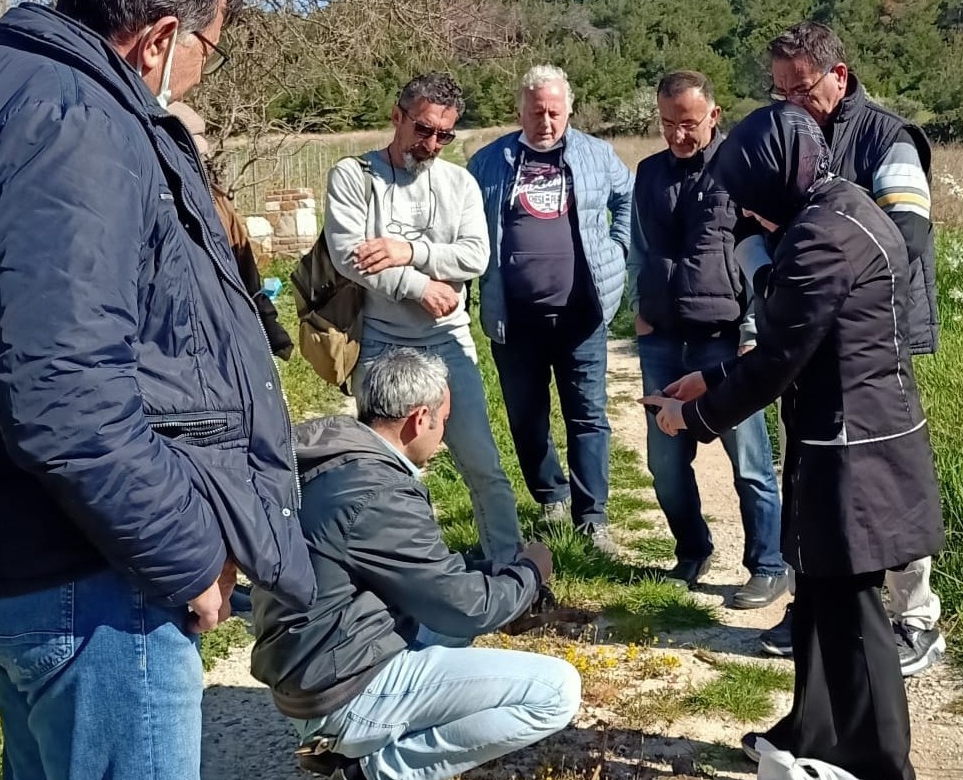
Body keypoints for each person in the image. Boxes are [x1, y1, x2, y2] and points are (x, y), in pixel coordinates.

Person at [0, 0, 316, 780]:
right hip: (89, 578)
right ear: (160, 36)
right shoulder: (76, 124)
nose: (204, 65)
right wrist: (185, 554)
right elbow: (66, 396)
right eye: (211, 43)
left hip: (19, 552)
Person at [642, 102, 943, 780]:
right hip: (843, 438)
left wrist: (698, 414)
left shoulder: (823, 238)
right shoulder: (837, 209)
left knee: (855, 616)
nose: (748, 209)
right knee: (818, 596)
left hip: (857, 452)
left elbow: (779, 357)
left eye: (750, 193)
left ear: (779, 175)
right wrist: (712, 377)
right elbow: (804, 345)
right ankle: (810, 733)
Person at [252, 346, 581, 780]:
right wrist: (530, 571)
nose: (443, 437)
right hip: (337, 689)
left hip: (307, 664)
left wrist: (490, 572)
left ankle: (344, 748)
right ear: (418, 418)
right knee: (556, 691)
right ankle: (371, 778)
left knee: (446, 631)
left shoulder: (334, 454)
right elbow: (466, 607)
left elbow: (424, 578)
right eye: (443, 421)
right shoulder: (379, 492)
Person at [752, 20, 944, 676]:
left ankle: (916, 618)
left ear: (839, 74)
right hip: (806, 334)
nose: (791, 104)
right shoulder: (787, 137)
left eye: (801, 89)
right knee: (808, 467)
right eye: (780, 93)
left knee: (887, 480)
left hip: (875, 337)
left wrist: (827, 265)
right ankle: (813, 603)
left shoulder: (887, 136)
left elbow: (908, 231)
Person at [324, 73, 522, 566]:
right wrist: (421, 284)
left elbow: (476, 256)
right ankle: (389, 570)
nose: (431, 143)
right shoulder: (354, 177)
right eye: (423, 129)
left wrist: (405, 249)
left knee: (482, 463)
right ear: (397, 116)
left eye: (444, 135)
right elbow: (350, 256)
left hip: (448, 342)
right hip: (383, 343)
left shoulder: (459, 183)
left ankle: (511, 568)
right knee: (380, 468)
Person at [628, 71, 787, 604]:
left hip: (725, 339)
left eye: (689, 124)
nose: (678, 135)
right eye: (668, 123)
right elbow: (640, 249)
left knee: (750, 464)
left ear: (714, 116)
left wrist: (751, 329)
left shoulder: (743, 169)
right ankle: (692, 550)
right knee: (665, 465)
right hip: (661, 341)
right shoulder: (648, 172)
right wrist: (639, 313)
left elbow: (764, 253)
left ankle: (768, 564)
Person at [468, 65, 634, 555]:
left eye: (555, 112)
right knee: (525, 416)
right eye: (537, 111)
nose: (546, 121)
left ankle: (593, 517)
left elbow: (628, 199)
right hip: (515, 319)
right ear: (519, 111)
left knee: (588, 416)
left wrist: (619, 249)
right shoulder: (489, 162)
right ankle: (551, 496)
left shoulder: (596, 155)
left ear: (569, 110)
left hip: (582, 314)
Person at [167, 100, 294, 360]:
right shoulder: (149, 202)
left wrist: (269, 326)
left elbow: (247, 272)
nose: (196, 161)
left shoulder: (218, 202)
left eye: (199, 155)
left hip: (224, 332)